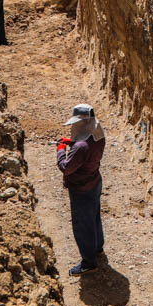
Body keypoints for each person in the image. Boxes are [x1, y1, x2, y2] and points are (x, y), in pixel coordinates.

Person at [57, 104, 106, 276]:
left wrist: (61, 150)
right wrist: (73, 143)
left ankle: (88, 263)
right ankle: (98, 248)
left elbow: (66, 167)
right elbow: (87, 149)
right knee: (94, 217)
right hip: (94, 181)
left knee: (82, 226)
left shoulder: (80, 147)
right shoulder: (98, 133)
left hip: (81, 189)